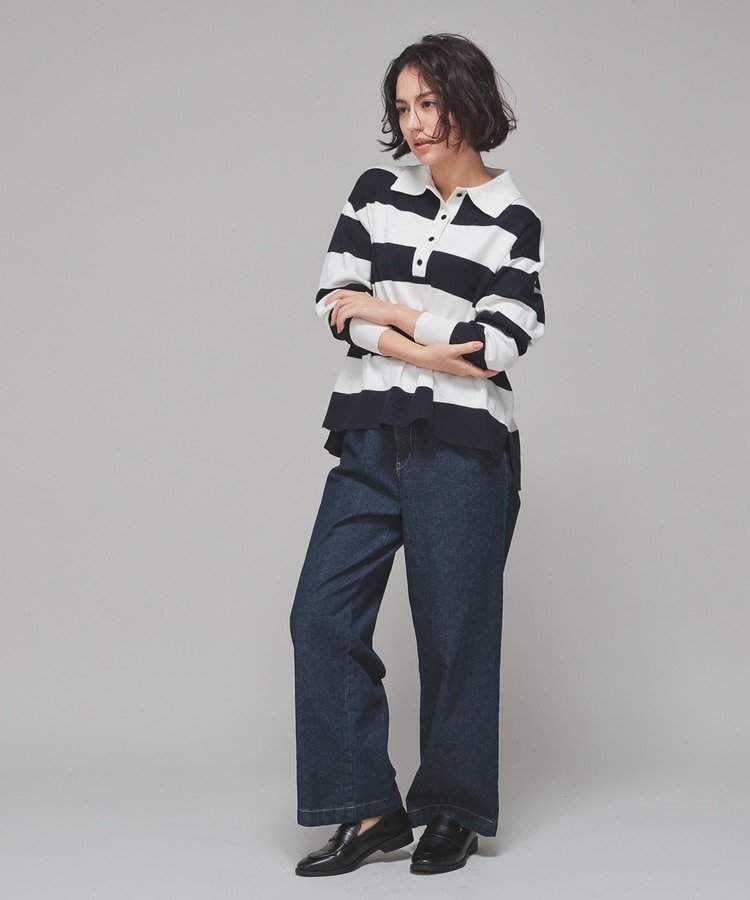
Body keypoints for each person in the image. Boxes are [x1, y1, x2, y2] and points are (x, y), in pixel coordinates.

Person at [290, 33, 545, 877]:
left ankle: (453, 811)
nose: (415, 124)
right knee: (321, 615)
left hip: (464, 448)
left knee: (454, 634)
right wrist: (420, 341)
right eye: (403, 108)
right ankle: (368, 810)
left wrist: (395, 317)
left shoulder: (514, 220)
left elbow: (494, 345)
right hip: (370, 435)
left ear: (470, 101)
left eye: (429, 103)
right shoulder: (375, 193)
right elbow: (334, 300)